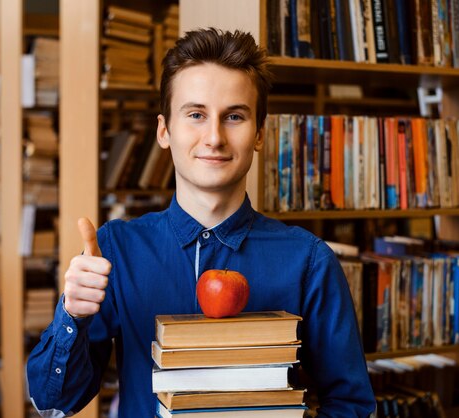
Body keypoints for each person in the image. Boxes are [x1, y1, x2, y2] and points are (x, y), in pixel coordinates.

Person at [27, 28, 375, 417]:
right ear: (164, 130)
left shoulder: (309, 261)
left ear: (259, 134)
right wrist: (72, 313)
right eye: (196, 115)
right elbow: (53, 404)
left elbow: (352, 405)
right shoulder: (116, 251)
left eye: (235, 116)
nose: (214, 137)